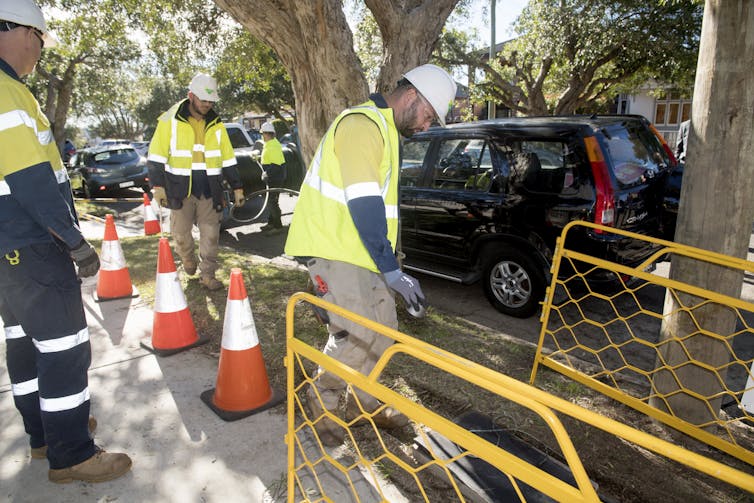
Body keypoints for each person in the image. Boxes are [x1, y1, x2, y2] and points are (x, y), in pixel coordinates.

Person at [284, 63, 456, 446]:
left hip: (364, 255)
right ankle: (322, 403)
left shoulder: (385, 131)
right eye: (429, 115)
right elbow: (364, 206)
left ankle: (364, 404)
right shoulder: (362, 125)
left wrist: (393, 264)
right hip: (335, 251)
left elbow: (381, 211)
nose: (427, 126)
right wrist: (392, 271)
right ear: (412, 95)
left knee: (383, 333)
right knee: (355, 333)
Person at [0, 0, 132, 483]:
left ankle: (44, 434)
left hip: (7, 251)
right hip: (34, 246)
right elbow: (33, 182)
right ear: (15, 31)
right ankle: (72, 452)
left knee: (24, 344)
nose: (38, 50)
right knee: (64, 348)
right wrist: (75, 242)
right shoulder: (7, 93)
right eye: (37, 39)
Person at [147, 73, 245, 290]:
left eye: (211, 101)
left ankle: (208, 275)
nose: (208, 104)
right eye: (204, 100)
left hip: (210, 188)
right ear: (191, 96)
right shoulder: (169, 121)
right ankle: (188, 259)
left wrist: (237, 186)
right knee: (181, 235)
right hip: (179, 188)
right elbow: (155, 156)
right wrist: (157, 187)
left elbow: (228, 158)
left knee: (211, 235)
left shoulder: (217, 124)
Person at [258, 121, 286, 233]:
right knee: (271, 200)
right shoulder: (269, 143)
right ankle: (271, 223)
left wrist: (266, 173)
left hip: (276, 177)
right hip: (273, 177)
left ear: (266, 134)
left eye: (262, 134)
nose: (262, 136)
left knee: (272, 201)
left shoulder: (273, 145)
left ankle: (278, 226)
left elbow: (276, 164)